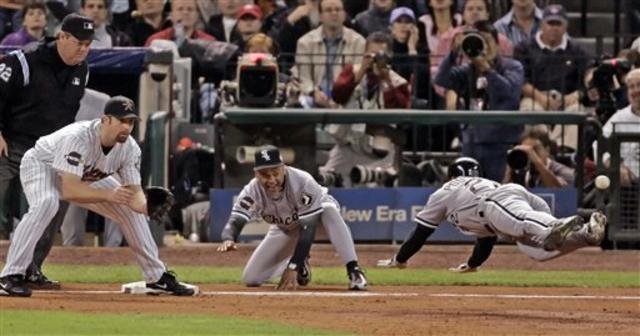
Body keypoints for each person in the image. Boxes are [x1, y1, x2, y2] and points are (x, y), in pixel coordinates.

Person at [0, 96, 196, 297]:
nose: (127, 127)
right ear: (106, 120)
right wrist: (109, 194)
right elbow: (70, 190)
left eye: (131, 122)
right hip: (43, 165)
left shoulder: (129, 148)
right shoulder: (78, 137)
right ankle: (10, 276)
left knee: (128, 209)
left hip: (83, 175)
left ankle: (156, 277)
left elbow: (134, 193)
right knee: (47, 203)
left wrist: (146, 206)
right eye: (122, 120)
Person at [376, 156, 608, 271]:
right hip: (507, 205)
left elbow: (420, 233)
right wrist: (472, 265)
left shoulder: (445, 191)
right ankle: (587, 234)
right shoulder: (478, 184)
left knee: (527, 224)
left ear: (451, 175)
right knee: (540, 251)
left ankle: (556, 226)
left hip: (496, 203)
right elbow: (485, 241)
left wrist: (399, 260)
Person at [0, 13, 94, 288]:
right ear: (62, 36)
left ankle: (31, 268)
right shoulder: (23, 60)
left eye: (89, 44)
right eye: (79, 43)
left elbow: (69, 116)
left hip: (50, 149)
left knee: (54, 202)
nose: (84, 49)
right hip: (13, 143)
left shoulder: (82, 69)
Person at [217, 145, 368, 291]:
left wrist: (293, 265)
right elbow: (235, 221)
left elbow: (308, 228)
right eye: (264, 174)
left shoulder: (303, 181)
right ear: (256, 174)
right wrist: (228, 238)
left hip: (317, 222)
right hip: (285, 228)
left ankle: (354, 270)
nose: (271, 179)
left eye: (275, 173)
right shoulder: (252, 190)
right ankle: (303, 261)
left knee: (329, 210)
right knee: (251, 278)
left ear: (284, 168)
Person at [434, 20, 524, 182]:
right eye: (478, 40)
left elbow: (509, 93)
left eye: (487, 41)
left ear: (497, 45)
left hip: (499, 143)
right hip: (472, 141)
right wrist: (454, 52)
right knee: (469, 191)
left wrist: (488, 71)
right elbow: (441, 79)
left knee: (495, 191)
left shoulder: (512, 67)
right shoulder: (468, 71)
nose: (484, 47)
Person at [515, 4, 590, 150]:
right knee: (529, 108)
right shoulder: (525, 47)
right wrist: (542, 98)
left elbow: (586, 79)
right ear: (542, 24)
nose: (554, 28)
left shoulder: (576, 50)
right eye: (550, 23)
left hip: (567, 99)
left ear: (565, 26)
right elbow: (521, 80)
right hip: (536, 97)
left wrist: (576, 95)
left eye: (558, 23)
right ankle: (541, 149)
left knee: (577, 110)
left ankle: (565, 152)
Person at [294, 0, 366, 108]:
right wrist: (314, 93)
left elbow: (359, 79)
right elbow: (304, 77)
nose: (334, 13)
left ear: (344, 15)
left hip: (347, 98)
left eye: (338, 9)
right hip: (315, 97)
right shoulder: (305, 42)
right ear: (320, 16)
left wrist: (341, 97)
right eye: (328, 10)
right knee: (304, 101)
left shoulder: (358, 41)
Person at [594, 68, 640, 187]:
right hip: (627, 188)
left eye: (639, 85)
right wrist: (615, 165)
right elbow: (599, 146)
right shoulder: (620, 117)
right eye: (631, 87)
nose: (636, 91)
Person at [503, 128, 575, 188]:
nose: (530, 154)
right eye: (526, 151)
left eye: (535, 149)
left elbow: (559, 192)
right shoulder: (521, 172)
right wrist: (509, 170)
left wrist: (537, 162)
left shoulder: (564, 171)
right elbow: (504, 197)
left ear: (547, 150)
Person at [144, 0, 215, 47]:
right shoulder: (155, 40)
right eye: (180, 9)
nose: (185, 12)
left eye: (190, 9)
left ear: (197, 15)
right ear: (171, 15)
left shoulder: (209, 42)